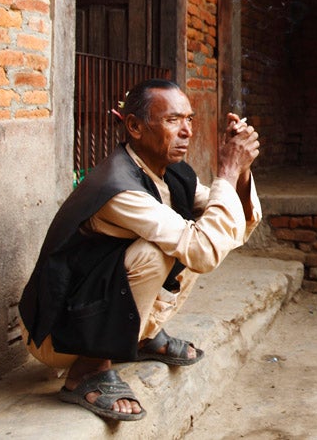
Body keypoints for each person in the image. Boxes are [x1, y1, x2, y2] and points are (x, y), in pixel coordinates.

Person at [19, 79, 262, 422]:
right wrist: (227, 170)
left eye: (189, 119)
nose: (187, 131)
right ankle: (87, 370)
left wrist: (241, 172)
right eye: (172, 120)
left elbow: (227, 222)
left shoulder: (173, 172)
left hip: (92, 309)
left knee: (200, 230)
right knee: (163, 250)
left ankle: (141, 336)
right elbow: (204, 251)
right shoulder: (119, 187)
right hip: (56, 334)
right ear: (134, 126)